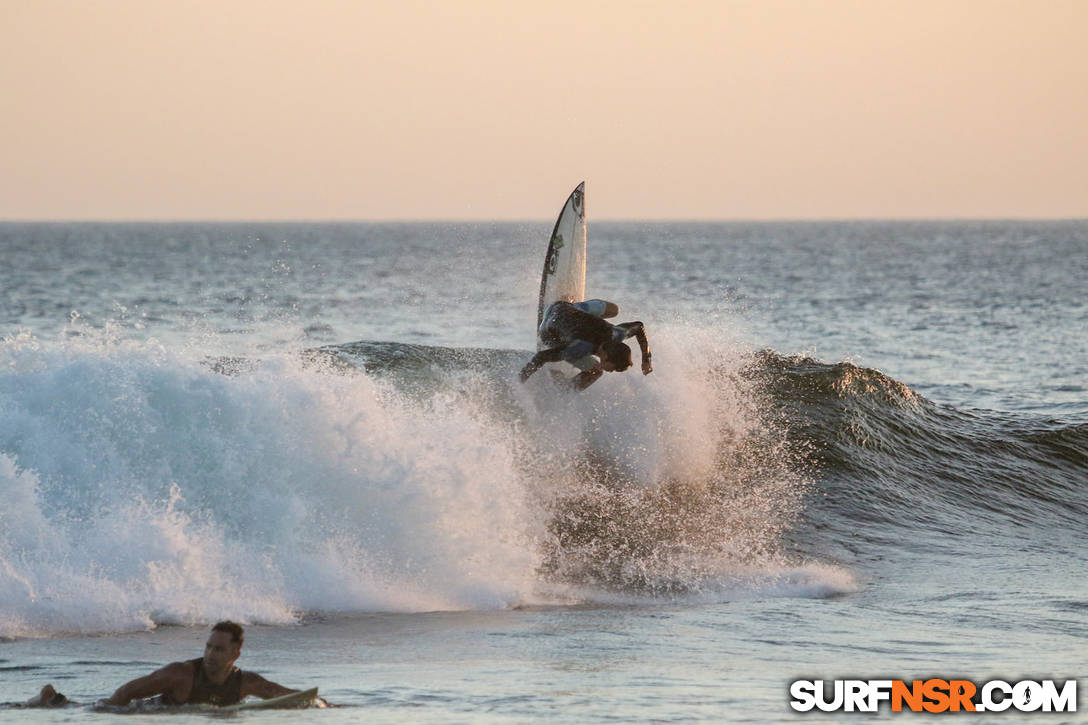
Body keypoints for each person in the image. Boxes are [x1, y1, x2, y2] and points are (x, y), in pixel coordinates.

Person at [28, 621, 323, 708]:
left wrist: (324, 705)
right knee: (77, 707)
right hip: (145, 709)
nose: (210, 654)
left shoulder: (247, 682)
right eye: (208, 646)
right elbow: (126, 692)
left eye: (219, 649)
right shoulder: (180, 674)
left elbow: (291, 698)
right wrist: (107, 714)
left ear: (236, 653)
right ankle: (52, 698)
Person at [520, 299, 652, 390]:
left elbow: (639, 327)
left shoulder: (617, 334)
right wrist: (520, 381)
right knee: (595, 371)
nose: (612, 372)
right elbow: (541, 357)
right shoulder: (579, 348)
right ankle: (564, 391)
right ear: (605, 355)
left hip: (565, 307)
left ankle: (574, 303)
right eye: (612, 368)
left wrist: (647, 359)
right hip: (548, 331)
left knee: (613, 310)